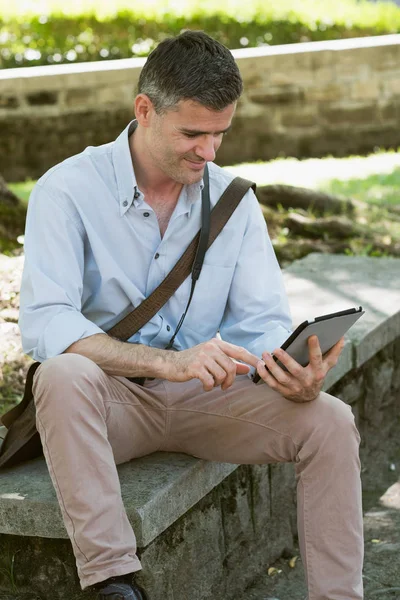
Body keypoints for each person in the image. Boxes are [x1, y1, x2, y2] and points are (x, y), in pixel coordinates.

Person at [19, 31, 363, 600]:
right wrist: (169, 363)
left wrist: (296, 374)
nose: (209, 152)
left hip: (207, 398)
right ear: (145, 110)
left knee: (329, 420)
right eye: (193, 134)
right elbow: (48, 324)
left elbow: (263, 325)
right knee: (61, 373)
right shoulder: (66, 190)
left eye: (220, 134)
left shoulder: (234, 201)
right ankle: (113, 583)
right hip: (110, 402)